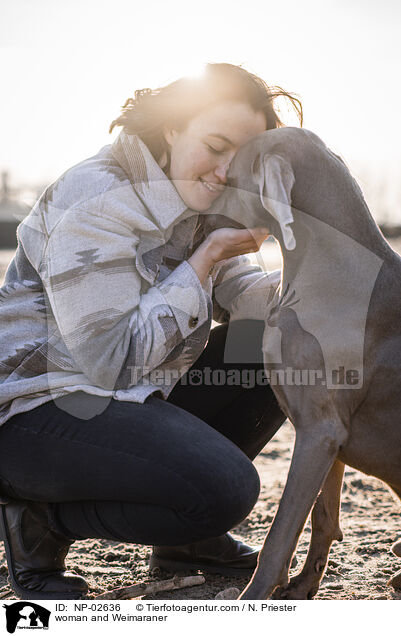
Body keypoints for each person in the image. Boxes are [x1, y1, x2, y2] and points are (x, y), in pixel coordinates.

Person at [0, 63, 302, 600]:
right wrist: (206, 257)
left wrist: (318, 286)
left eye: (246, 157)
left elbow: (245, 296)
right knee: (224, 490)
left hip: (126, 395)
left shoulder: (201, 198)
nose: (228, 169)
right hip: (36, 411)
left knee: (276, 344)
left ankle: (187, 542)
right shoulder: (94, 198)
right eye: (215, 145)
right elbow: (111, 361)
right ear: (171, 130)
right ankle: (40, 521)